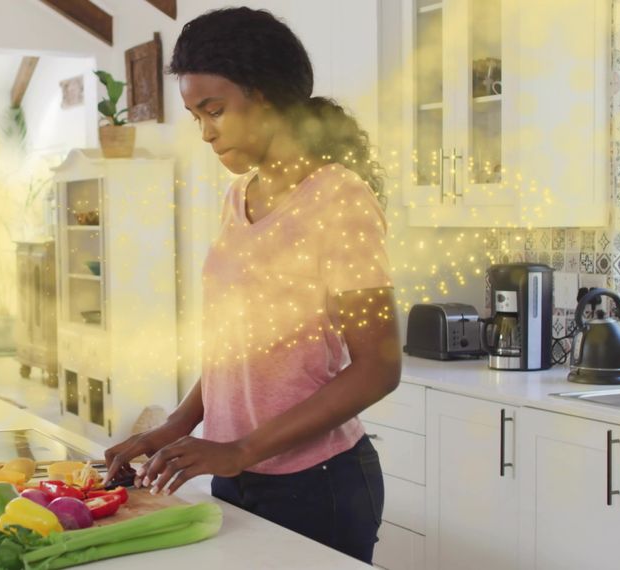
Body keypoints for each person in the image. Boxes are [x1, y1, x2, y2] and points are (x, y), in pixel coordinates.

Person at [103, 7, 402, 564]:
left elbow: (378, 367)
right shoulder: (237, 198)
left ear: (265, 95)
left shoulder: (339, 200)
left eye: (213, 110)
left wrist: (240, 449)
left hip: (317, 484)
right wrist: (175, 427)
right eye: (196, 116)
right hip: (235, 474)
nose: (206, 131)